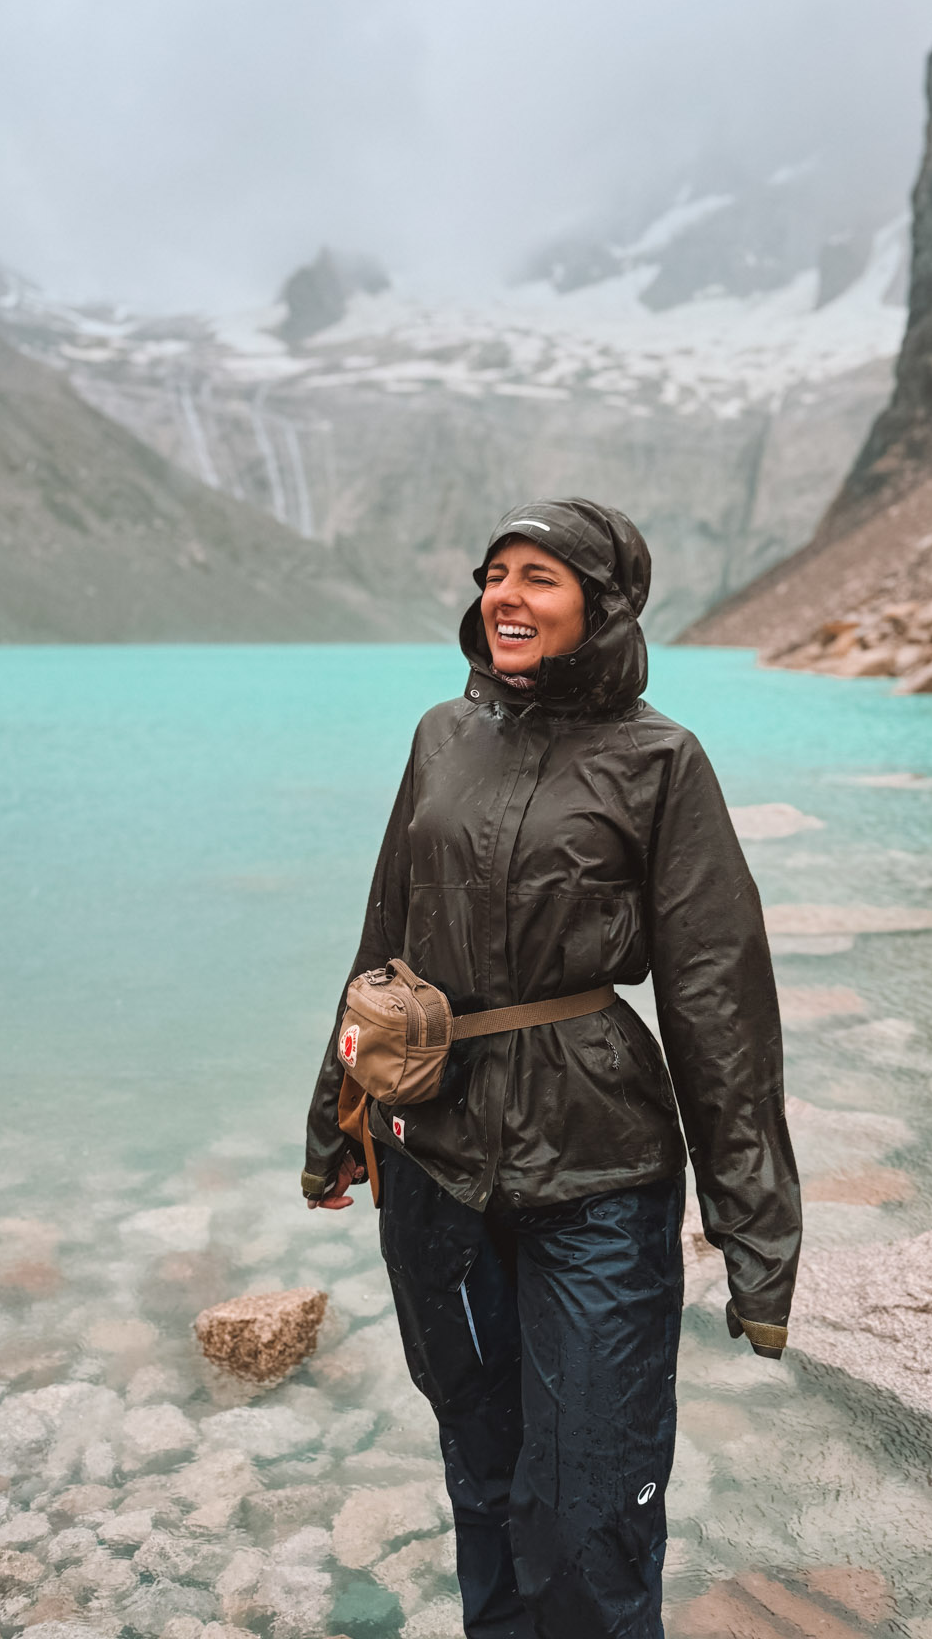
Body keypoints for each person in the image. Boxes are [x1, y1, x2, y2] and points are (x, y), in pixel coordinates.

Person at [301, 497, 800, 1639]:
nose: (506, 597)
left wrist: (756, 1232)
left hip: (599, 1175)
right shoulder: (439, 735)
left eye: (541, 578)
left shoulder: (660, 760)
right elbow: (381, 942)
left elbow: (718, 1002)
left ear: (602, 606)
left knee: (587, 1508)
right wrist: (336, 1128)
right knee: (482, 1472)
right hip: (433, 1154)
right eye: (495, 574)